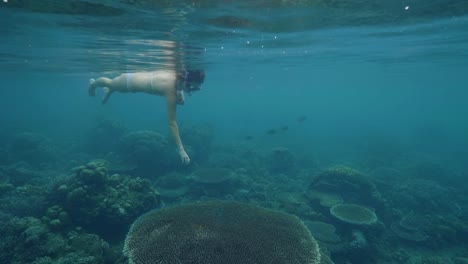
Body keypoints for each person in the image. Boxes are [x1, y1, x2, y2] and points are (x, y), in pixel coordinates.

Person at [88, 68, 205, 165]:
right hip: (128, 83)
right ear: (184, 81)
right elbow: (172, 123)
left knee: (181, 101)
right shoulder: (170, 91)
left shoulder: (178, 77)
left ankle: (110, 91)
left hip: (138, 75)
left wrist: (182, 92)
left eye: (195, 88)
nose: (192, 90)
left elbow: (180, 93)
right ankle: (93, 84)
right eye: (191, 87)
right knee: (109, 83)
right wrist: (181, 150)